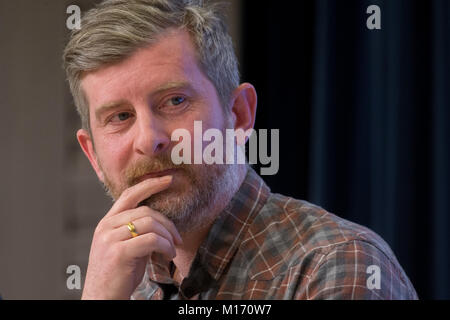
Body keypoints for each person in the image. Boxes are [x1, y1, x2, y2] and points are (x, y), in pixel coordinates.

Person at [63, 0, 418, 300]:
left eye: (175, 101)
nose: (148, 140)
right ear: (93, 155)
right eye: (120, 116)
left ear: (238, 115)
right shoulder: (125, 289)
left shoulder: (336, 266)